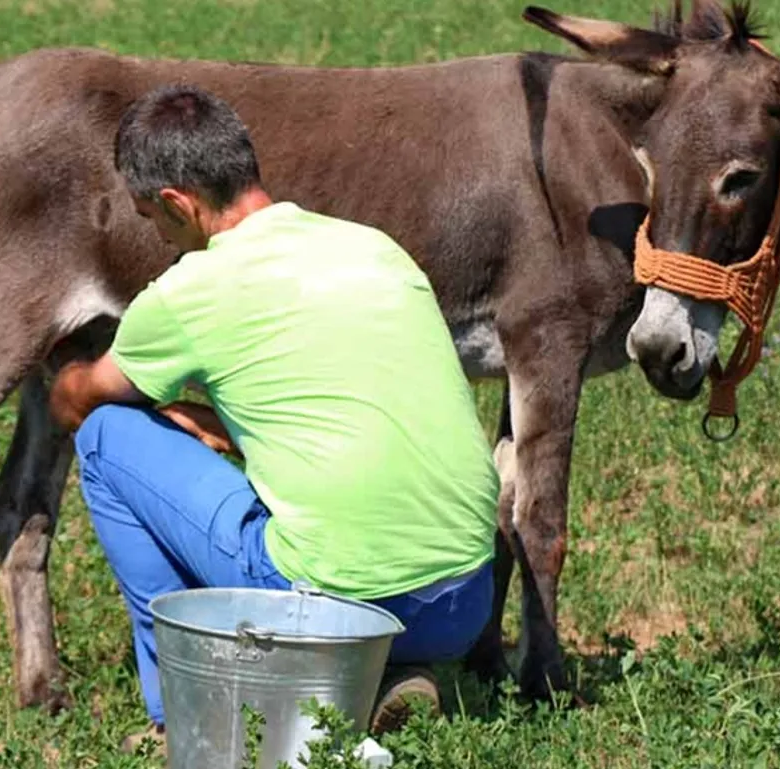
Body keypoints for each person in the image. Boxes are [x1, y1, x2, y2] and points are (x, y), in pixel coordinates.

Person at [50, 83, 499, 753]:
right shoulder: (374, 247)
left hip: (327, 605)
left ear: (178, 203)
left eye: (152, 218)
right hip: (465, 601)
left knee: (107, 439)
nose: (157, 234)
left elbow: (78, 403)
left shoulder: (186, 293)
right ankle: (381, 674)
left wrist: (127, 390)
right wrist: (228, 424)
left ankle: (183, 703)